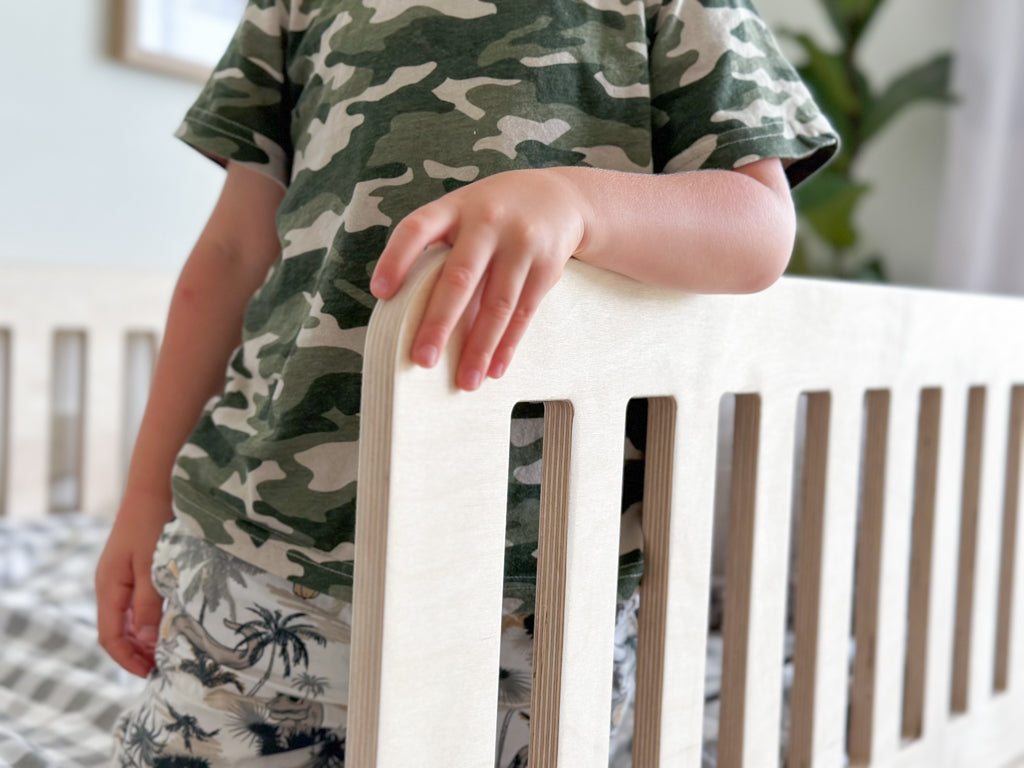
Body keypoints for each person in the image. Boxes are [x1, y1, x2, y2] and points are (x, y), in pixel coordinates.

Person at [96, 0, 837, 765]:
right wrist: (147, 495)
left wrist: (578, 201)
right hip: (257, 556)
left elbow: (756, 226)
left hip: (538, 593)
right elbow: (231, 250)